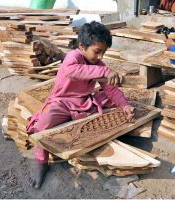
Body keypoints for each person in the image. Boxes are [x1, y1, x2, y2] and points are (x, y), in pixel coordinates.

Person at [26, 21, 136, 189]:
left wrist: (125, 105)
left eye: (104, 53)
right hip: (62, 101)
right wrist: (104, 71)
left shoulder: (99, 64)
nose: (100, 57)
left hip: (84, 101)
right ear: (82, 46)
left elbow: (110, 89)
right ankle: (41, 162)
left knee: (112, 98)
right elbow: (73, 71)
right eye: (97, 52)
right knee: (42, 125)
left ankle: (123, 107)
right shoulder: (73, 57)